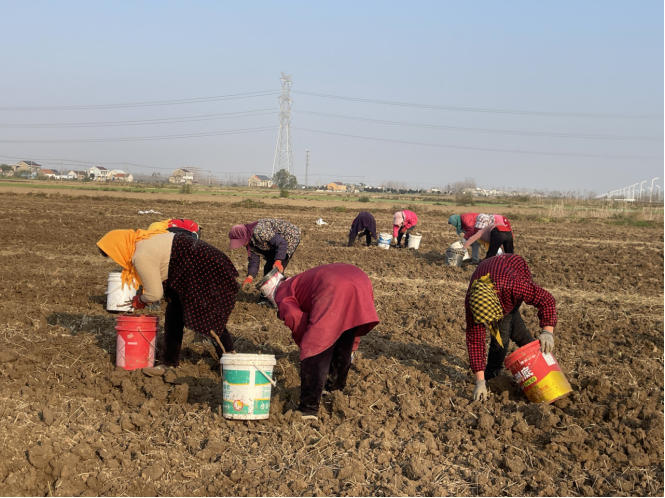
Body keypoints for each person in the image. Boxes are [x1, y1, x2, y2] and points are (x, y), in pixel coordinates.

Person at [96, 228, 238, 365]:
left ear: (119, 249)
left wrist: (140, 300)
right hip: (191, 267)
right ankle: (169, 362)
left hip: (203, 269)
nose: (118, 261)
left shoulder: (140, 256)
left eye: (114, 256)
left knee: (208, 316)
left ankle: (231, 362)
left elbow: (154, 294)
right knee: (174, 313)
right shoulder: (143, 241)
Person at [260, 263, 379, 420]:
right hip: (360, 280)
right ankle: (334, 391)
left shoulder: (281, 292)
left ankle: (308, 409)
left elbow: (293, 317)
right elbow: (351, 321)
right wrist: (353, 345)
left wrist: (307, 343)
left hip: (334, 286)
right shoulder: (299, 280)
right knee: (345, 333)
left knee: (315, 349)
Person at [465, 254, 557, 401]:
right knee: (515, 332)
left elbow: (546, 299)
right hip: (490, 272)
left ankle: (494, 374)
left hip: (515, 268)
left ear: (497, 304)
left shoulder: (514, 285)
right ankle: (539, 362)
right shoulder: (472, 303)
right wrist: (480, 381)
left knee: (501, 336)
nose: (489, 325)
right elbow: (475, 341)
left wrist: (547, 331)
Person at [228, 218, 301, 289]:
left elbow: (281, 243)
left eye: (240, 242)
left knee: (275, 271)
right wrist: (250, 277)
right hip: (276, 242)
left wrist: (278, 260)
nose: (241, 245)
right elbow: (254, 260)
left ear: (244, 236)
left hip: (289, 237)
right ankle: (268, 293)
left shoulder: (259, 232)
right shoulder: (249, 241)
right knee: (268, 267)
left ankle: (279, 293)